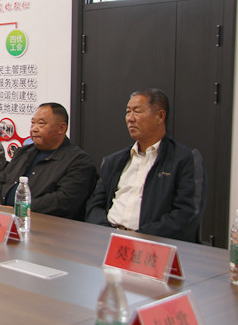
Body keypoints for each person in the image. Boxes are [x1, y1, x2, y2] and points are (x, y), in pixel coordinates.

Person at [85, 89, 203, 242]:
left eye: (137, 111)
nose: (130, 118)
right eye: (128, 112)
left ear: (160, 116)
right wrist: (107, 233)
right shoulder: (114, 161)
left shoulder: (184, 159)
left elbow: (187, 214)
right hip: (108, 240)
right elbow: (94, 205)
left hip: (152, 244)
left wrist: (139, 237)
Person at [0, 103, 97, 220]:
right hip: (3, 218)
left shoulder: (78, 162)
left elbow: (64, 201)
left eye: (41, 124)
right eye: (33, 123)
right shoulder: (23, 152)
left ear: (61, 128)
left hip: (45, 224)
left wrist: (18, 210)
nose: (34, 129)